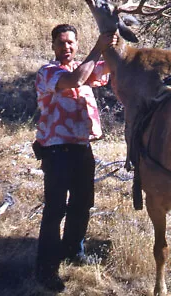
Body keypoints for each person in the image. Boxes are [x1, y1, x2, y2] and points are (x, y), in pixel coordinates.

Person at [33, 24, 117, 292]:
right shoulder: (48, 73)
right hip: (57, 151)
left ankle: (73, 252)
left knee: (82, 204)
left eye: (70, 42)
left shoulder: (85, 67)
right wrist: (98, 48)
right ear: (53, 46)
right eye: (61, 43)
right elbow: (74, 81)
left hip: (82, 148)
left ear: (76, 45)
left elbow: (110, 67)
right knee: (55, 209)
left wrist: (113, 42)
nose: (66, 47)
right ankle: (46, 267)